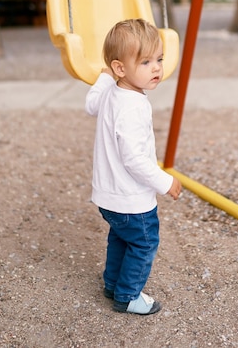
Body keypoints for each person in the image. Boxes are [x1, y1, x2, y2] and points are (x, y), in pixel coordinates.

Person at [85, 18, 182, 315]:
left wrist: (103, 78)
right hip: (131, 200)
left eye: (159, 59)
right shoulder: (133, 106)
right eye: (146, 62)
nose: (156, 68)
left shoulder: (111, 92)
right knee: (143, 243)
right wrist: (164, 182)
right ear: (120, 68)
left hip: (108, 197)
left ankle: (113, 283)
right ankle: (128, 296)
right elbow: (134, 159)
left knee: (120, 238)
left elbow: (90, 104)